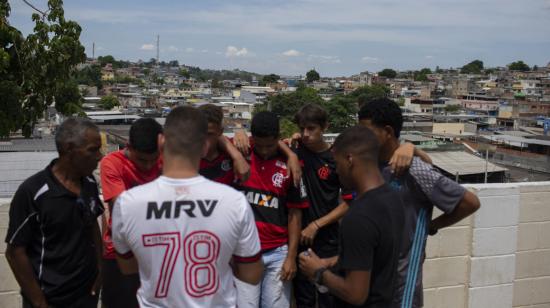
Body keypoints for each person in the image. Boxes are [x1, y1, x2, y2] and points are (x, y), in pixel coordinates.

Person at [111, 106, 263, 307]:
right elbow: (251, 274)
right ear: (204, 147)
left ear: (161, 141)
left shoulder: (127, 204)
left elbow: (128, 267)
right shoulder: (234, 202)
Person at [357, 98, 481, 308]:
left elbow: (470, 202)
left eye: (367, 132)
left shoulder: (415, 169)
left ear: (387, 131)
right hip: (372, 278)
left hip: (402, 283)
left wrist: (431, 227)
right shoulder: (370, 166)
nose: (362, 138)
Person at [299, 125, 405, 307]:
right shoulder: (393, 197)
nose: (337, 171)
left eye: (337, 163)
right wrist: (331, 262)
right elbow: (375, 254)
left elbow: (355, 294)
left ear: (349, 159)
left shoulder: (358, 216)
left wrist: (317, 272)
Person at [5, 118, 104, 308]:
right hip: (50, 298)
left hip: (86, 293)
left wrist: (100, 269)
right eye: (93, 149)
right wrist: (39, 302)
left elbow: (92, 225)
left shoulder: (90, 183)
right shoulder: (34, 192)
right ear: (69, 149)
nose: (99, 156)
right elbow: (15, 252)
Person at [234, 111, 309, 308]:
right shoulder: (240, 152)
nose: (265, 150)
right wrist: (238, 130)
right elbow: (211, 134)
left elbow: (295, 214)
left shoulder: (291, 166)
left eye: (270, 145)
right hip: (245, 253)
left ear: (278, 138)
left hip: (277, 253)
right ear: (252, 138)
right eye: (260, 145)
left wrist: (291, 257)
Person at [99, 117, 163, 308]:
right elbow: (123, 210)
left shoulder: (167, 156)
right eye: (142, 160)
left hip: (158, 253)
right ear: (129, 147)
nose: (149, 166)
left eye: (154, 159)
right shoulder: (112, 163)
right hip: (119, 254)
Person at [198, 104, 250, 185]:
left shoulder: (236, 146)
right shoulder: (184, 156)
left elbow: (271, 143)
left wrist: (241, 133)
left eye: (209, 134)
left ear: (220, 132)